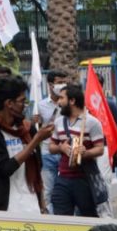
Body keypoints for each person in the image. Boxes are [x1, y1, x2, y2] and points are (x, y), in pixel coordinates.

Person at [0, 76, 55, 213]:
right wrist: (36, 141)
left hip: (31, 205)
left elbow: (37, 168)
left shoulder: (27, 129)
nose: (25, 106)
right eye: (22, 101)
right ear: (9, 103)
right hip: (1, 207)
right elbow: (5, 168)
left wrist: (42, 205)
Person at [47, 84, 110, 218]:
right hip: (62, 178)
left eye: (61, 98)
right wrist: (60, 148)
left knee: (88, 218)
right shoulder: (59, 122)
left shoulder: (92, 123)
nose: (58, 102)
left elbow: (100, 149)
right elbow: (51, 147)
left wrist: (85, 153)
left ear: (72, 101)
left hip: (84, 180)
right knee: (61, 218)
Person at [34, 69, 70, 213]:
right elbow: (36, 128)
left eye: (64, 82)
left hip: (65, 153)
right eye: (58, 83)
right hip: (46, 153)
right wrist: (35, 121)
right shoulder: (40, 105)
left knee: (64, 190)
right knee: (47, 191)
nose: (62, 85)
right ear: (50, 85)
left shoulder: (69, 104)